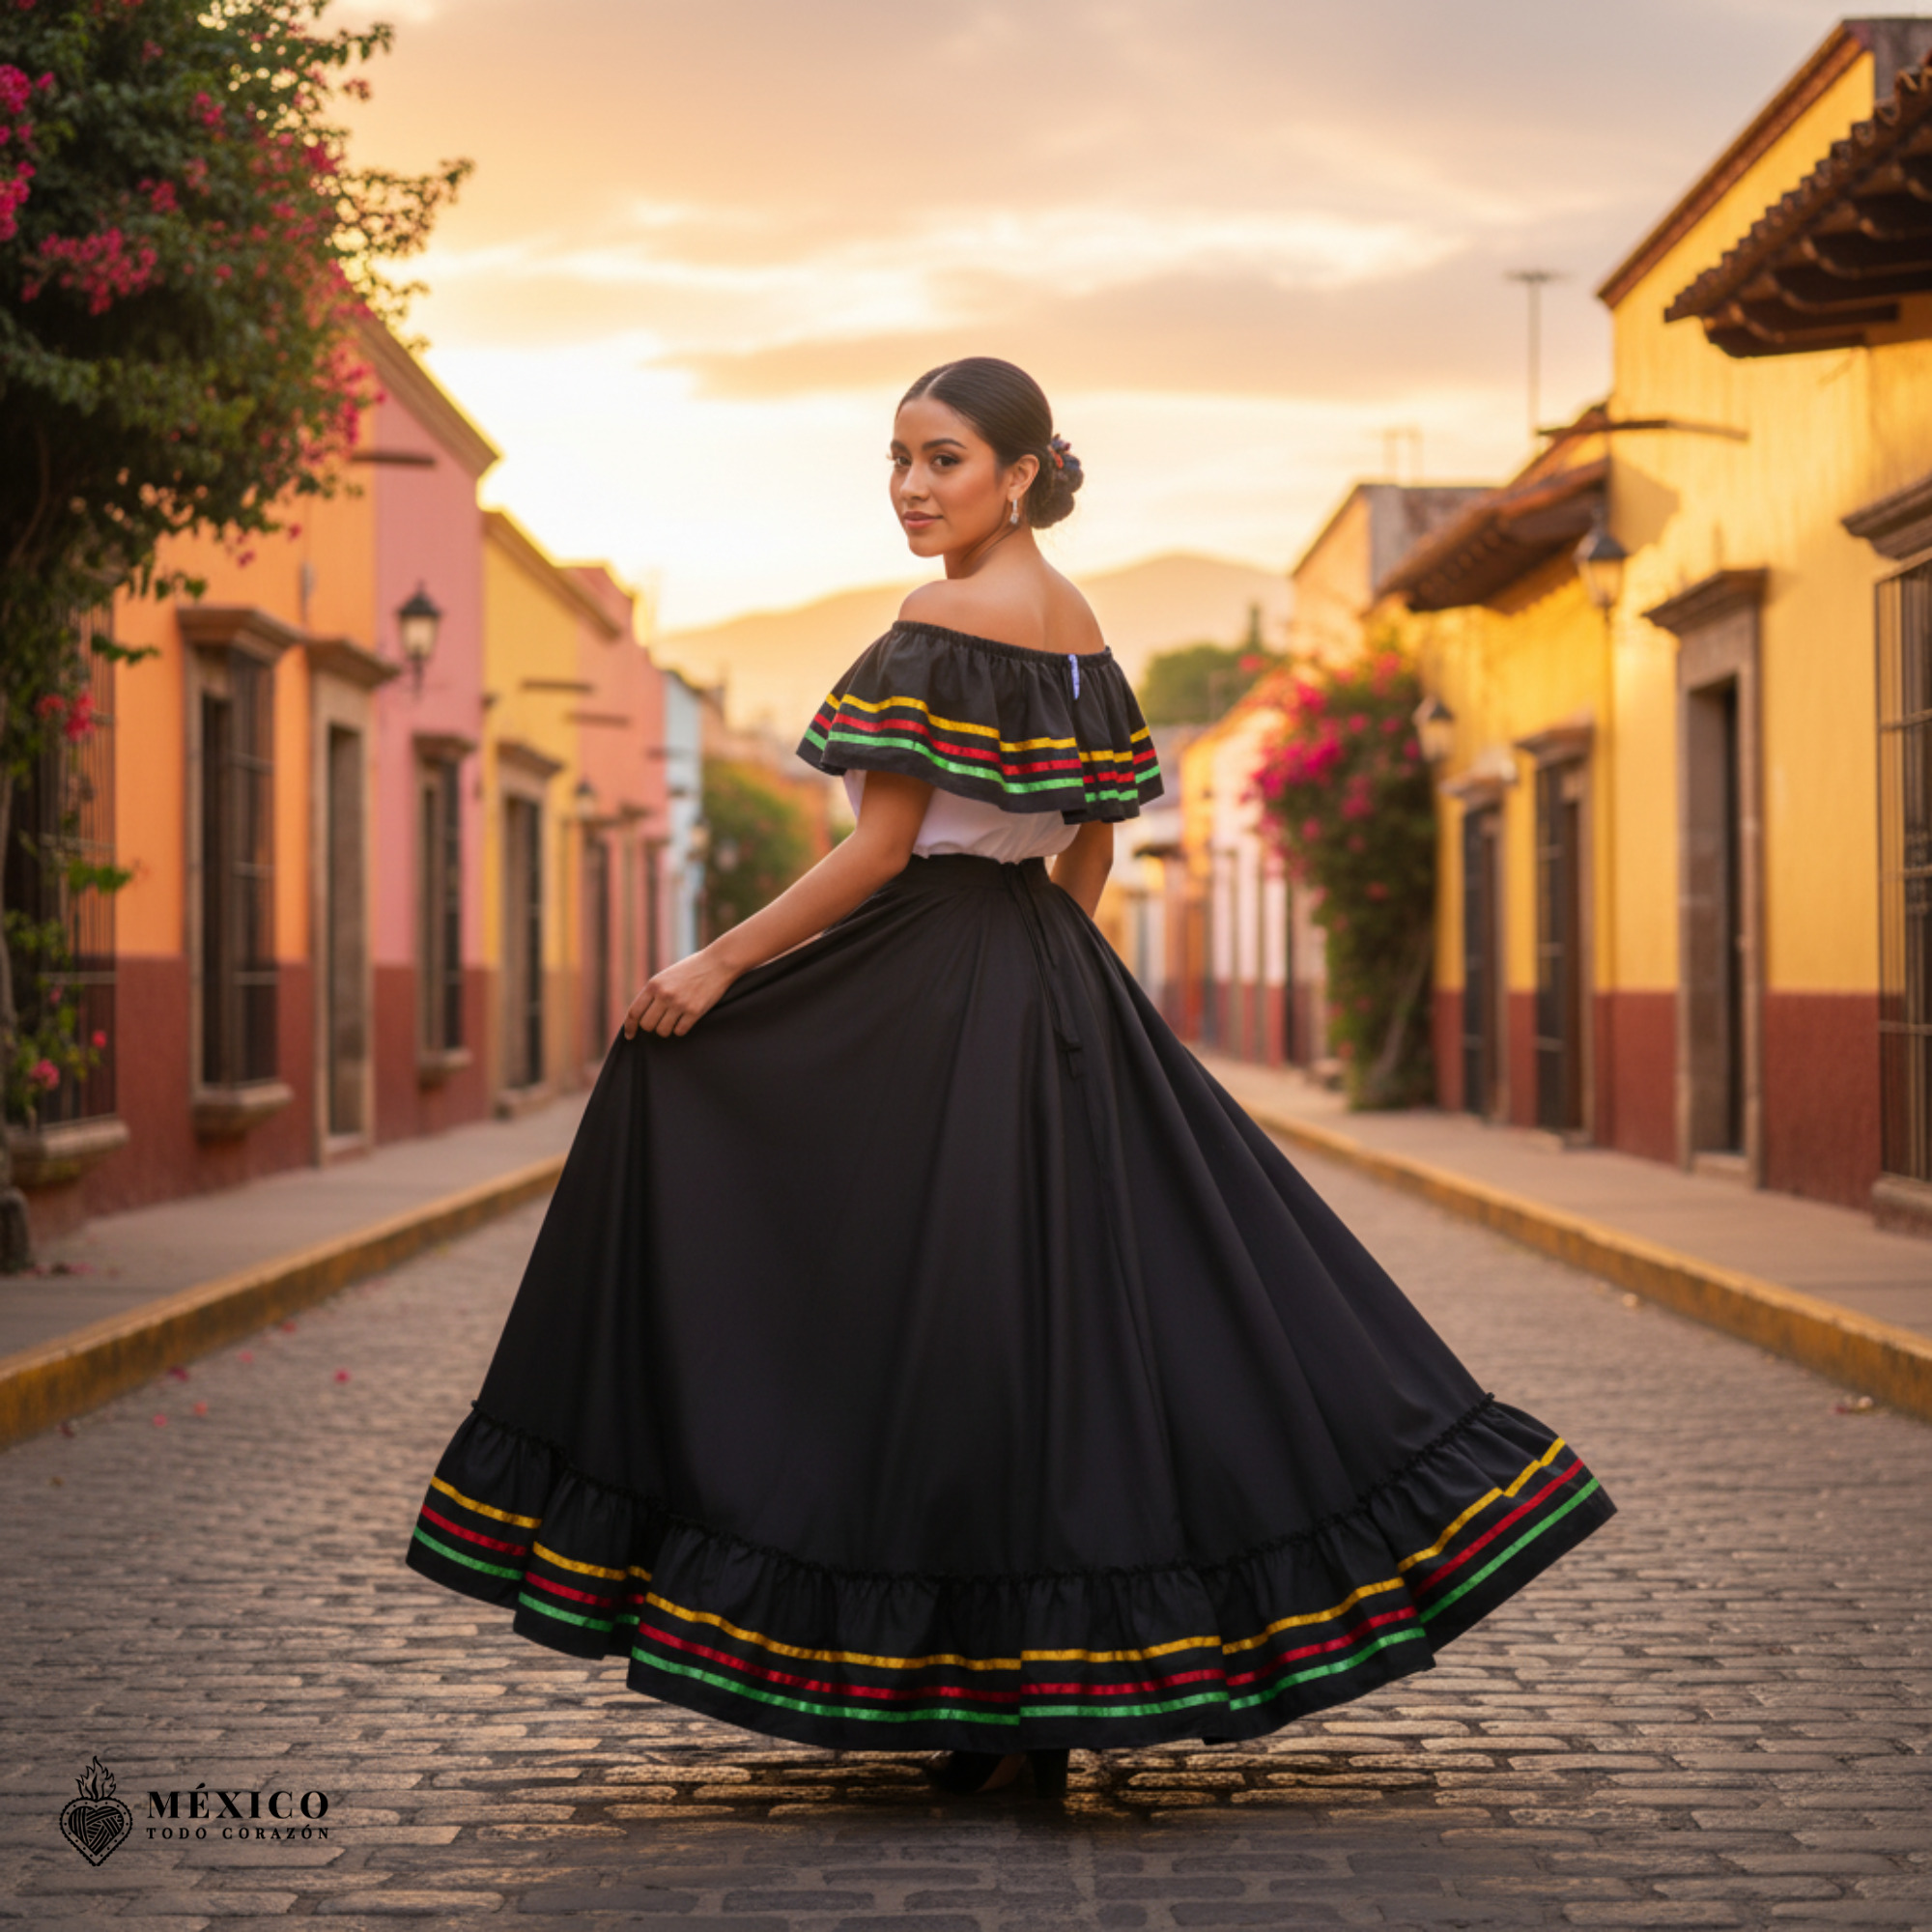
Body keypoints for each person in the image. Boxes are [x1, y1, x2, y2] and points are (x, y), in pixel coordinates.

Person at [405, 356, 1615, 1804]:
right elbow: (1092, 842)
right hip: (1053, 975)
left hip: (933, 975)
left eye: (945, 460)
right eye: (899, 459)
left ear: (1022, 472)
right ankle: (1039, 1695)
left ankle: (973, 1684)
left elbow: (876, 851)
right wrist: (1048, 986)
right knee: (1070, 1320)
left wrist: (717, 964)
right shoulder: (1083, 630)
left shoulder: (939, 620)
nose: (912, 488)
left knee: (929, 1314)